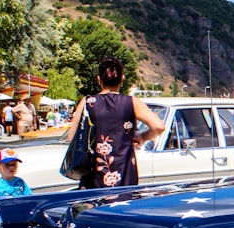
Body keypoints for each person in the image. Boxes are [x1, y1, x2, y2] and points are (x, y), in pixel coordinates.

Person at [67, 56, 165, 188]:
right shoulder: (132, 102)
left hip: (94, 175)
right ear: (122, 78)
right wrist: (142, 137)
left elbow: (71, 137)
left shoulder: (87, 103)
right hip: (124, 173)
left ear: (99, 79)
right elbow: (158, 127)